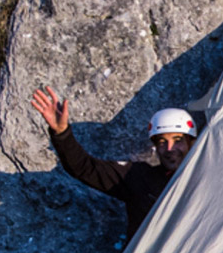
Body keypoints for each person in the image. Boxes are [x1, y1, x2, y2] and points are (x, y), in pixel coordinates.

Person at [29, 86, 197, 239]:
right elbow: (84, 168)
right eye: (162, 142)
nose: (169, 148)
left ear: (192, 142)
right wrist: (62, 134)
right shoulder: (139, 178)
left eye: (178, 140)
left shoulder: (207, 178)